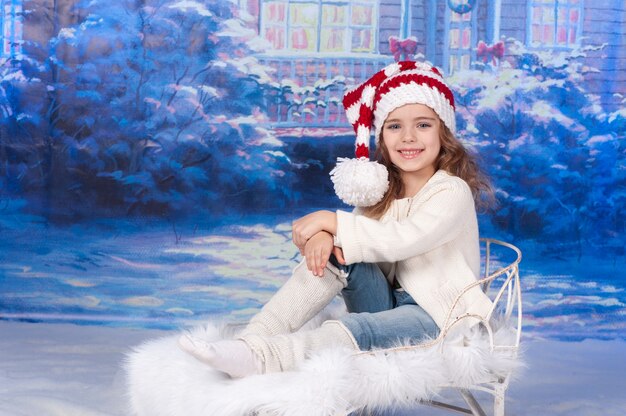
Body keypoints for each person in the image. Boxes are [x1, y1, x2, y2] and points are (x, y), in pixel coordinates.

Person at [178, 61, 494, 378]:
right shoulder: (382, 192)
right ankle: (251, 341)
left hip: (440, 315)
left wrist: (331, 221)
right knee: (332, 254)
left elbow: (400, 239)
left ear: (444, 134)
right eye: (394, 126)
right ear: (382, 137)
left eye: (423, 125)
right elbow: (356, 242)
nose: (408, 137)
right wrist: (326, 238)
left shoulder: (451, 191)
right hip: (387, 303)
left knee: (356, 326)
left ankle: (267, 359)